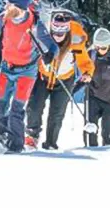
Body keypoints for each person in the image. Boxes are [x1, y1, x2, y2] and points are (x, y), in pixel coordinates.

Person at [0, 0, 56, 153]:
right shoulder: (3, 19)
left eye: (9, 5)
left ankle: (15, 148)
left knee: (16, 111)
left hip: (26, 71)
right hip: (6, 68)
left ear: (19, 8)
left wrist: (50, 55)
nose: (5, 8)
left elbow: (52, 45)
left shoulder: (34, 24)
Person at [25, 9, 94, 150]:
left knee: (57, 112)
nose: (57, 37)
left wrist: (87, 72)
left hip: (65, 79)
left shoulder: (76, 40)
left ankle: (50, 142)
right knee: (34, 106)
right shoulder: (44, 36)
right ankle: (32, 136)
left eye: (61, 34)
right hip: (43, 76)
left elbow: (84, 60)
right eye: (55, 33)